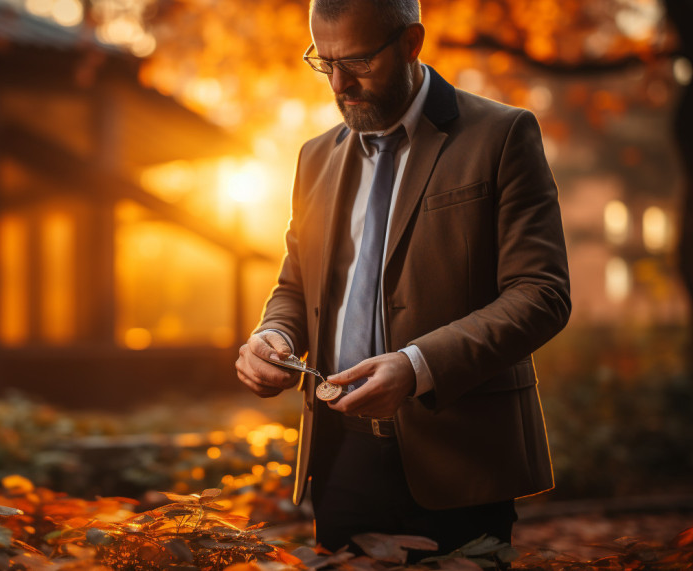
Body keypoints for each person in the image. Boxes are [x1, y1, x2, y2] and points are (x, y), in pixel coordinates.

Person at [234, 0, 571, 560]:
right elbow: (295, 286)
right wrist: (277, 336)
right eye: (325, 62)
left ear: (411, 43)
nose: (340, 84)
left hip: (462, 459)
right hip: (338, 463)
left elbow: (541, 294)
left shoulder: (503, 134)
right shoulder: (313, 157)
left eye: (360, 62)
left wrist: (417, 367)